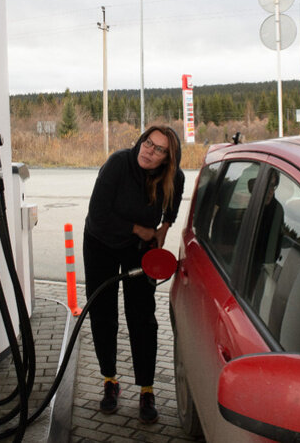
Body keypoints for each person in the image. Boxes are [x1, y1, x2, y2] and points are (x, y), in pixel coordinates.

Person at [83, 125, 185, 424]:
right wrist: (139, 228)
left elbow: (174, 203)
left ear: (168, 158)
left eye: (158, 149)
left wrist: (165, 227)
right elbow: (98, 213)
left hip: (139, 249)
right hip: (100, 241)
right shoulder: (119, 163)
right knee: (103, 312)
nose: (148, 151)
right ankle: (110, 381)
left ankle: (147, 388)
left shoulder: (174, 177)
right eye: (147, 143)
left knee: (142, 316)